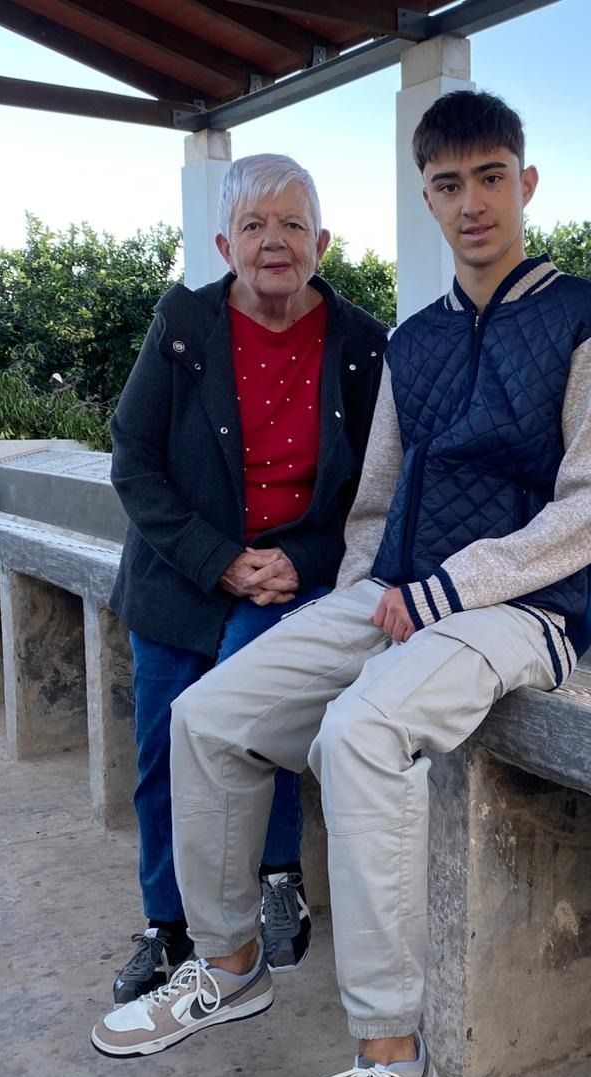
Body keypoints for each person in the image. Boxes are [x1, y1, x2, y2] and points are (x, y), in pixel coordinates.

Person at [93, 92, 591, 1077]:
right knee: (210, 718)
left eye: (491, 176)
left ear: (524, 184)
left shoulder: (589, 319)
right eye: (447, 183)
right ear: (424, 196)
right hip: (390, 587)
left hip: (523, 606)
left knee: (358, 732)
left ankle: (392, 1062)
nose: (470, 201)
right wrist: (354, 605)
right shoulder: (420, 338)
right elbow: (375, 498)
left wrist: (448, 588)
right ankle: (231, 960)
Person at [103, 153, 388, 1005]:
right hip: (180, 570)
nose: (275, 242)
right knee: (160, 750)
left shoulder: (362, 344)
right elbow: (133, 459)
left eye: (293, 225)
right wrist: (217, 559)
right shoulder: (183, 325)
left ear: (322, 242)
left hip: (287, 573)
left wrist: (298, 561)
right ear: (227, 242)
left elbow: (374, 485)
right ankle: (169, 927)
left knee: (249, 724)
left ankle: (275, 876)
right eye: (256, 226)